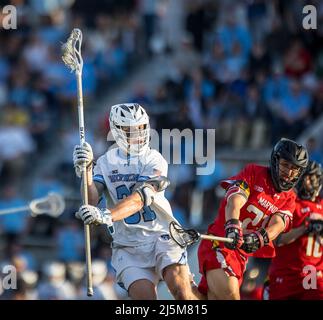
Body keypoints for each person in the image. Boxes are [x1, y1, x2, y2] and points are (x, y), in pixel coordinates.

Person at [73, 103, 198, 300]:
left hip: (162, 236)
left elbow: (140, 199)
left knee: (183, 294)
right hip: (128, 245)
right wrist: (87, 171)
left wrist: (106, 215)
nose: (138, 133)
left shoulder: (154, 159)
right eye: (131, 129)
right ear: (116, 131)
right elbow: (90, 199)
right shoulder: (105, 163)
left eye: (141, 127)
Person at [197, 138, 309, 300]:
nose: (289, 173)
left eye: (295, 169)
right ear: (275, 160)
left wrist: (261, 237)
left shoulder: (290, 198)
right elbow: (235, 200)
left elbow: (278, 225)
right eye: (286, 165)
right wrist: (233, 225)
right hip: (220, 243)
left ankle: (182, 284)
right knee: (231, 296)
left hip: (241, 257)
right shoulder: (254, 172)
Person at [268, 160, 323, 300]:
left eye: (311, 177)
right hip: (286, 274)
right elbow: (277, 240)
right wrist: (305, 228)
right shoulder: (288, 203)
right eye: (304, 177)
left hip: (311, 273)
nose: (307, 182)